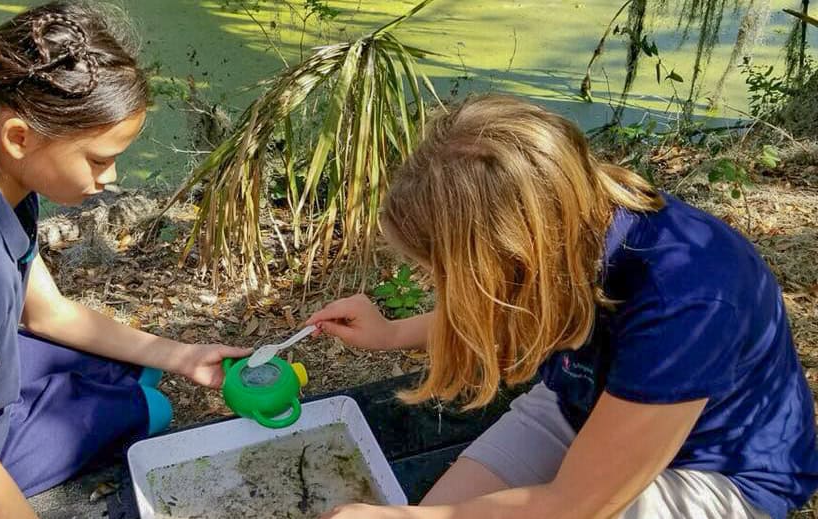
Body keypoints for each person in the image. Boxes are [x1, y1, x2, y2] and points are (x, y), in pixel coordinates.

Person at [310, 95, 818, 519]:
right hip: (583, 397)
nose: (434, 283)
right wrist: (392, 332)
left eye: (442, 271)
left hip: (716, 470)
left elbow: (575, 504)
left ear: (513, 251)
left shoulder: (687, 299)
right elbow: (500, 301)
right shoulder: (567, 225)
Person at [0, 2, 249, 517]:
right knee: (152, 406)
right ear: (19, 137)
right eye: (99, 159)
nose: (110, 179)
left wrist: (182, 356)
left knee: (144, 371)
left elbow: (47, 313)